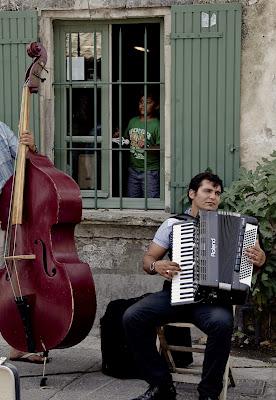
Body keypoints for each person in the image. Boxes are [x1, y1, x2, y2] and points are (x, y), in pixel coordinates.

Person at [123, 171, 266, 400]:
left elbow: (252, 262)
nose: (213, 197)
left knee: (222, 324)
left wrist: (260, 259)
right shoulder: (173, 224)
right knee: (132, 316)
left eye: (217, 193)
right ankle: (161, 385)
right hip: (175, 295)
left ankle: (208, 394)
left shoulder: (237, 227)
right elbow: (148, 260)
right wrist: (156, 266)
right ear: (192, 193)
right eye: (207, 191)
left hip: (213, 302)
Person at [0, 120, 47, 364]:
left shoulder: (0, 129)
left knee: (15, 280)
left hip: (10, 216)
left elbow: (26, 163)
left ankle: (20, 343)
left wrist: (31, 147)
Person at [120, 92, 160, 198]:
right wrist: (119, 137)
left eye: (147, 102)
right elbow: (126, 140)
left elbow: (161, 148)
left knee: (151, 202)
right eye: (141, 102)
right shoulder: (133, 121)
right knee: (132, 201)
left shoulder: (157, 124)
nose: (143, 105)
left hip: (150, 171)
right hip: (133, 169)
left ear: (156, 106)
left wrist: (146, 147)